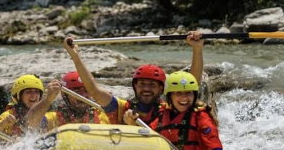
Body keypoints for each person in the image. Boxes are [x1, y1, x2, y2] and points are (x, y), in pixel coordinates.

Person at [63, 32, 204, 126]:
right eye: (142, 84)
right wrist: (75, 55)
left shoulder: (169, 109)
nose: (146, 89)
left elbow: (191, 85)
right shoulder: (119, 108)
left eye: (152, 85)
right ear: (135, 87)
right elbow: (93, 90)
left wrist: (197, 49)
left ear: (162, 89)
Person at [127, 71, 225, 150]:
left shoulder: (201, 118)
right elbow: (144, 144)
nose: (184, 98)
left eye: (188, 93)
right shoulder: (161, 116)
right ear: (170, 96)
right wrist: (132, 124)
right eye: (178, 93)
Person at [25, 72, 110, 131]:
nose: (83, 95)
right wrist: (48, 99)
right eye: (76, 91)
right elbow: (31, 121)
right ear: (65, 95)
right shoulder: (55, 118)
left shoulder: (103, 115)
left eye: (86, 90)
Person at [0, 74, 44, 141]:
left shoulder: (43, 115)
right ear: (19, 97)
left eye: (37, 92)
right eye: (29, 92)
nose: (34, 95)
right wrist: (5, 122)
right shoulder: (9, 115)